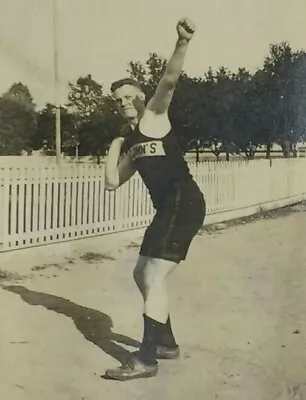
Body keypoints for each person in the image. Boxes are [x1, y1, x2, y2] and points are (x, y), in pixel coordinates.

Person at [104, 17, 206, 381]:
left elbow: (169, 80)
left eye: (130, 96)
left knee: (155, 275)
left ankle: (146, 358)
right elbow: (113, 182)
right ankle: (165, 342)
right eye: (118, 100)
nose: (124, 103)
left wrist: (181, 43)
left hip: (184, 201)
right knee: (140, 273)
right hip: (168, 208)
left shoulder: (155, 116)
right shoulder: (131, 144)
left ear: (142, 99)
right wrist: (116, 144)